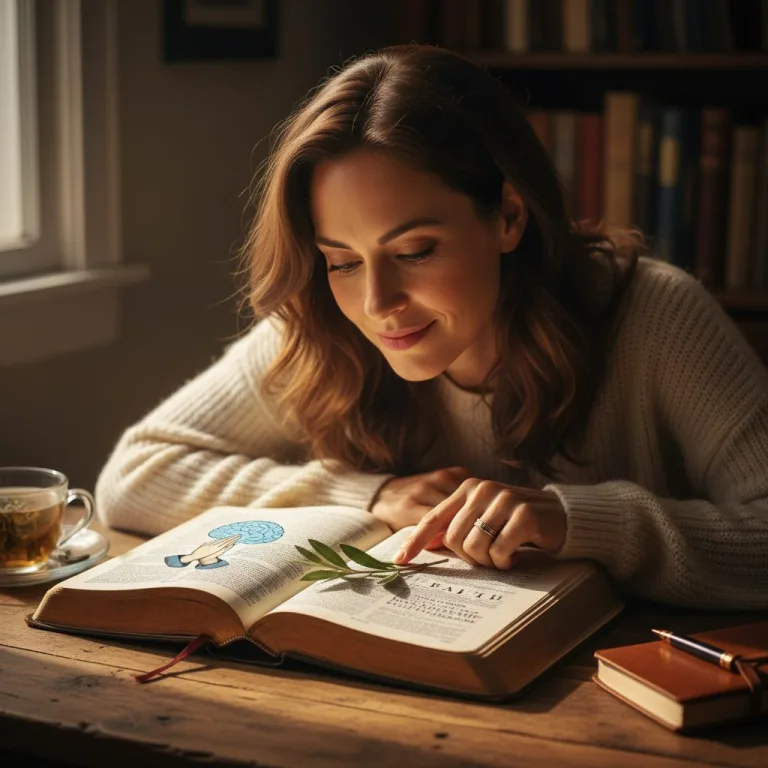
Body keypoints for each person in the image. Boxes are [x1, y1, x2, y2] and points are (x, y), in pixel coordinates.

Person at [95, 44, 768, 611]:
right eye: (341, 260)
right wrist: (373, 495)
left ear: (507, 216)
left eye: (414, 252)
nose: (378, 302)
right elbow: (134, 475)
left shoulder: (655, 314)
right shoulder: (327, 322)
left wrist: (579, 521)